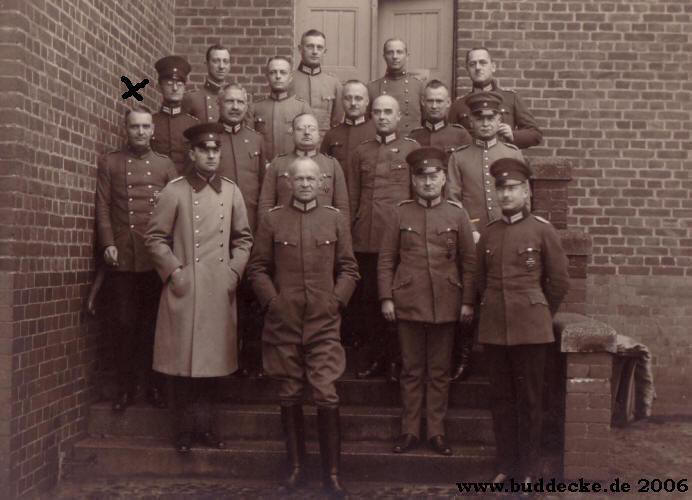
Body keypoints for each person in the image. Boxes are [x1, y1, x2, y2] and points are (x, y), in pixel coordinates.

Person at [247, 157, 359, 497]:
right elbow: (257, 268)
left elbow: (349, 268)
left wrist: (336, 301)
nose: (306, 184)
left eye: (312, 179)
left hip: (324, 322)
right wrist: (273, 302)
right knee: (289, 391)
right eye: (300, 179)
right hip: (284, 320)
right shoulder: (272, 219)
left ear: (322, 183)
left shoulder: (334, 219)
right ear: (289, 183)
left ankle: (332, 475)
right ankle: (295, 469)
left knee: (326, 391)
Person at [145, 122, 253, 454]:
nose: (210, 155)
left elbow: (244, 239)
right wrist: (175, 272)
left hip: (218, 290)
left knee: (212, 366)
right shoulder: (175, 191)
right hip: (185, 289)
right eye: (204, 150)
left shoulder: (231, 192)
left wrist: (233, 273)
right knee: (183, 366)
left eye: (215, 149)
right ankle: (182, 433)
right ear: (191, 154)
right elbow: (155, 238)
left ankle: (206, 429)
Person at [475, 157, 569, 485]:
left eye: (513, 188)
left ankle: (528, 470)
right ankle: (506, 465)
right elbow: (480, 280)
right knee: (501, 401)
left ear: (526, 191)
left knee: (530, 401)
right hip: (495, 329)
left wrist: (539, 311)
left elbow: (559, 282)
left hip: (531, 330)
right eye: (501, 188)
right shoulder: (490, 233)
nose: (506, 194)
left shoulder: (542, 230)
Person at [378, 147, 476, 457]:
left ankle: (436, 431)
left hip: (446, 302)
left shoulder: (457, 214)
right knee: (411, 369)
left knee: (439, 370)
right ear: (413, 180)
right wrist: (386, 297)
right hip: (408, 301)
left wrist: (467, 301)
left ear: (444, 178)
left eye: (434, 176)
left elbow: (469, 263)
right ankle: (409, 430)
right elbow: (386, 260)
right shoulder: (400, 213)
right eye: (422, 177)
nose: (428, 182)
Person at [95, 106, 178, 412]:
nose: (140, 132)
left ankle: (154, 387)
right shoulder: (111, 162)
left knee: (153, 325)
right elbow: (103, 207)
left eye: (145, 127)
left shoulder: (165, 165)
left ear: (153, 130)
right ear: (126, 129)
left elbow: (176, 211)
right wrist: (108, 243)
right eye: (135, 127)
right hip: (124, 255)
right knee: (124, 324)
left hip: (155, 257)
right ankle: (125, 388)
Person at [446, 91, 526, 381]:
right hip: (473, 239)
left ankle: (502, 361)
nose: (485, 123)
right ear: (470, 121)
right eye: (479, 118)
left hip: (507, 238)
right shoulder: (459, 157)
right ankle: (464, 356)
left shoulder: (512, 154)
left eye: (491, 118)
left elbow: (524, 200)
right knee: (468, 296)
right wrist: (471, 231)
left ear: (499, 119)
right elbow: (453, 199)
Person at [348, 95, 420, 381]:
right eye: (377, 112)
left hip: (400, 240)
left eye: (388, 111)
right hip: (366, 238)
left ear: (399, 116)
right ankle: (376, 358)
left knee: (399, 302)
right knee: (370, 303)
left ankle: (398, 361)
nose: (382, 116)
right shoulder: (360, 152)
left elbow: (416, 196)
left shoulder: (411, 150)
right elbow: (352, 197)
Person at [217, 83, 268, 376]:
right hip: (218, 231)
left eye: (240, 102)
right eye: (230, 102)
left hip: (250, 231)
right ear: (220, 105)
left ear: (247, 106)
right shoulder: (210, 139)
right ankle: (223, 360)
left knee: (251, 296)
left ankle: (251, 359)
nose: (235, 107)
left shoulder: (257, 141)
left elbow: (264, 187)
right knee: (222, 297)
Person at [258, 113, 348, 220]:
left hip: (323, 227)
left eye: (312, 129)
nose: (307, 132)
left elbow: (342, 208)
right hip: (286, 225)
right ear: (292, 133)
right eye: (300, 129)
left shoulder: (331, 164)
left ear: (319, 134)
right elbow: (266, 204)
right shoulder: (278, 163)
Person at [449, 47, 542, 149]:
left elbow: (535, 135)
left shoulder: (511, 98)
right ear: (467, 70)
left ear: (493, 67)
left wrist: (513, 135)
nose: (478, 67)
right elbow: (449, 138)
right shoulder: (458, 105)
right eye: (472, 64)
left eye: (483, 63)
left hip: (504, 157)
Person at [254, 56, 312, 160]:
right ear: (267, 77)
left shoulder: (302, 107)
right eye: (273, 72)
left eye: (283, 72)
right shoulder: (255, 107)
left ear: (290, 77)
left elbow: (309, 144)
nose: (278, 76)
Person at [320, 80, 376, 187]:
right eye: (348, 98)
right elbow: (324, 174)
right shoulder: (331, 135)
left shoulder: (377, 132)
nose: (353, 103)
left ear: (367, 101)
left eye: (358, 98)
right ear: (341, 101)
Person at [151, 55, 199, 174]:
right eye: (169, 83)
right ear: (159, 87)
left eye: (180, 84)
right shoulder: (150, 122)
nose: (175, 88)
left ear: (184, 88)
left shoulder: (194, 125)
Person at [367, 39, 424, 137]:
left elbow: (427, 120)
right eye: (390, 52)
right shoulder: (372, 88)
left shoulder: (419, 86)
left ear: (407, 56)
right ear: (384, 56)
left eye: (399, 52)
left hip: (413, 142)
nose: (395, 56)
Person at [292, 29, 344, 134]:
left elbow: (337, 121)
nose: (315, 51)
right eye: (310, 46)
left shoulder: (334, 83)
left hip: (323, 141)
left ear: (324, 51)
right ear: (300, 49)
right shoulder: (289, 80)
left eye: (319, 47)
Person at [408, 80, 471, 161]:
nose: (434, 106)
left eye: (439, 101)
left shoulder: (461, 135)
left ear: (448, 103)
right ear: (423, 102)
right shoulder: (413, 137)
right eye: (430, 101)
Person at [182, 44, 230, 124]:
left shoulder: (237, 100)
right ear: (207, 64)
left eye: (225, 61)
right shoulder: (192, 98)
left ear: (229, 65)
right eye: (216, 61)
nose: (221, 66)